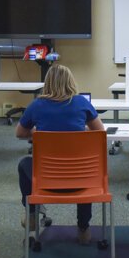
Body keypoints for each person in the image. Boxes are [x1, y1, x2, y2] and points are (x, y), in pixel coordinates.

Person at [15, 64, 104, 245]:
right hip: (80, 179)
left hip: (47, 180)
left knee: (24, 163)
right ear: (70, 82)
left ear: (47, 83)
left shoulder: (36, 105)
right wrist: (79, 130)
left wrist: (39, 133)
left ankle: (31, 213)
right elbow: (99, 132)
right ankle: (83, 228)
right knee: (86, 168)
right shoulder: (81, 103)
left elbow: (20, 133)